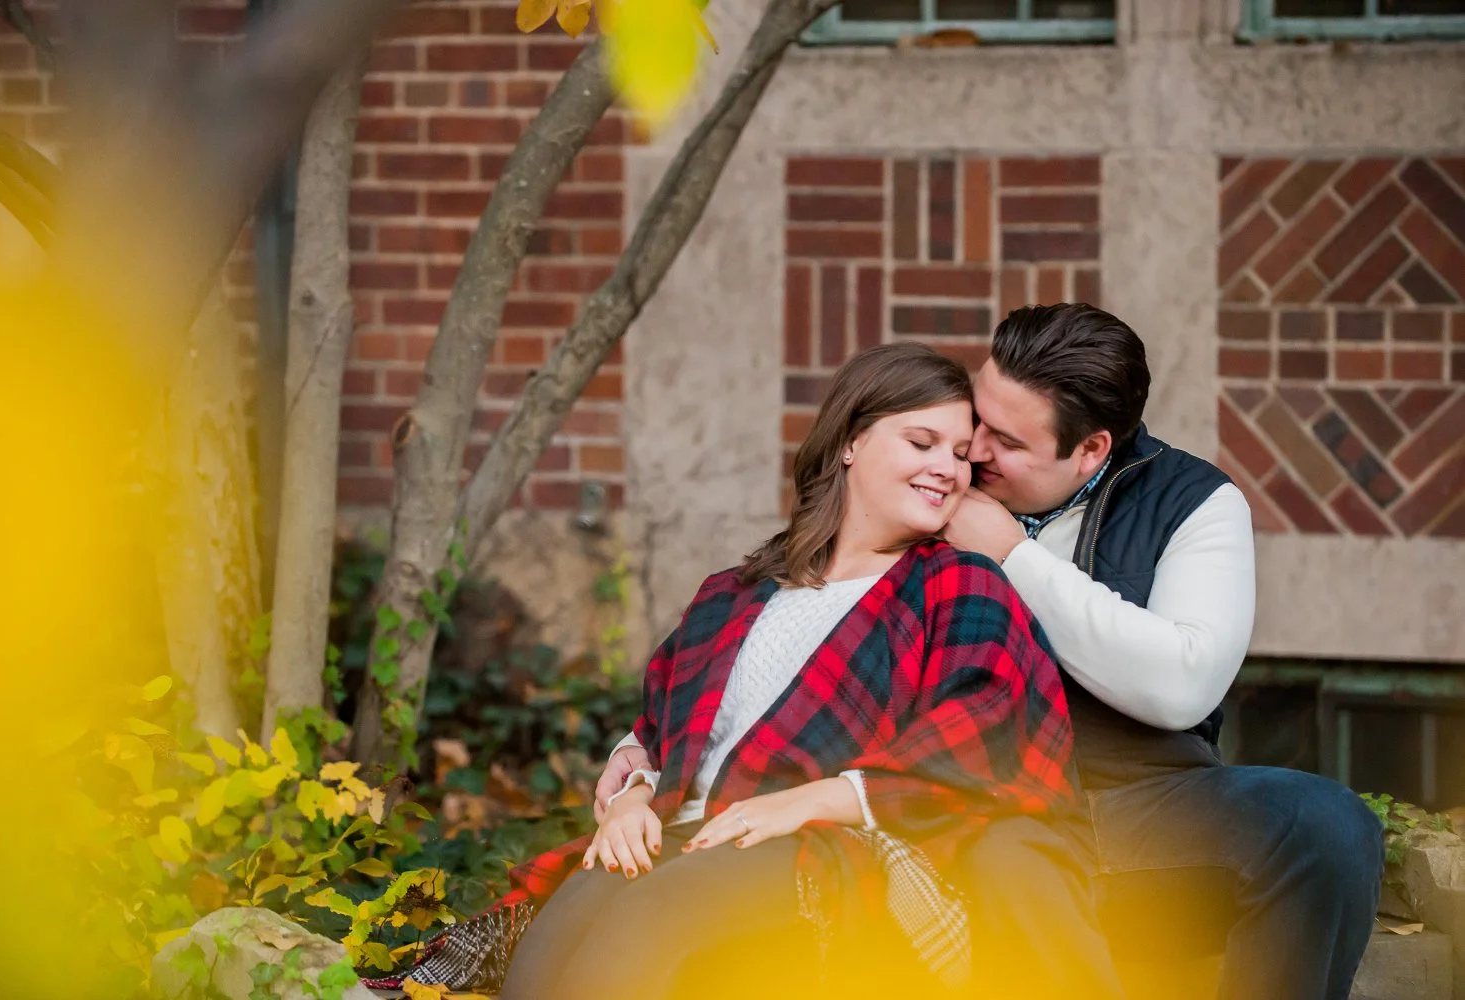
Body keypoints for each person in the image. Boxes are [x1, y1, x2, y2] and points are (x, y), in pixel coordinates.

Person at [601, 304, 1382, 1000]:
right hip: (962, 787)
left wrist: (1014, 555)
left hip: (1135, 795)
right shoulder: (933, 483)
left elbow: (1183, 687)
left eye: (1004, 440)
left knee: (1327, 824)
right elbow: (789, 614)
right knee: (1012, 856)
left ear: (1090, 451)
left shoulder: (1196, 505)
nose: (970, 449)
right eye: (978, 413)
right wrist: (646, 751)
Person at [386, 342, 1085, 999]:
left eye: (962, 455)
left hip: (826, 849)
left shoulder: (955, 584)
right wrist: (631, 795)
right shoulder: (737, 589)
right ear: (849, 442)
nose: (948, 468)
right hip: (683, 827)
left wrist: (809, 800)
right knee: (548, 952)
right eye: (921, 442)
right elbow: (666, 732)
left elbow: (982, 729)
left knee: (650, 920)